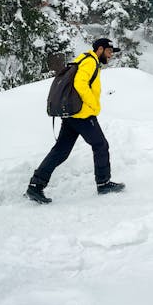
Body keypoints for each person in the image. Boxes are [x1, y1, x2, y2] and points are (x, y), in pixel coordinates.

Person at [25, 38, 125, 204]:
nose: (110, 56)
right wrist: (93, 105)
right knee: (100, 145)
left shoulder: (83, 59)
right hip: (82, 115)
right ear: (100, 49)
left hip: (72, 114)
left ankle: (35, 185)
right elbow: (80, 83)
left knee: (61, 151)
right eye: (109, 52)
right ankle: (104, 183)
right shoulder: (90, 61)